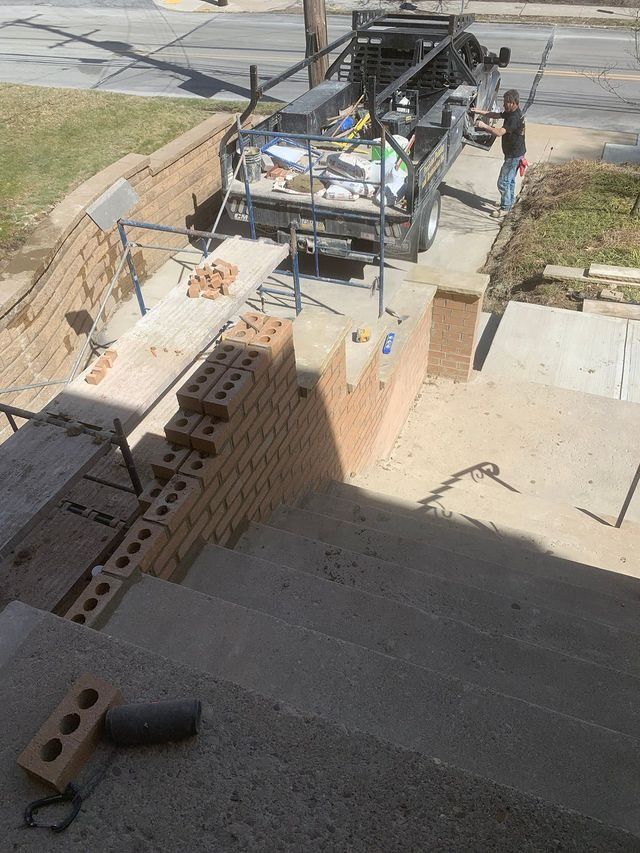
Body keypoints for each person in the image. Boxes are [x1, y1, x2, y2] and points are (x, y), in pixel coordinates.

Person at [471, 90, 526, 218]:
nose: (504, 104)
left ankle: (505, 208)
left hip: (514, 155)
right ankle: (508, 202)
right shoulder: (511, 112)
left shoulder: (514, 118)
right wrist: (479, 111)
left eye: (506, 102)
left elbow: (499, 132)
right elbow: (496, 115)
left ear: (513, 103)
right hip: (516, 153)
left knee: (503, 182)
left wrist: (483, 125)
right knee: (510, 180)